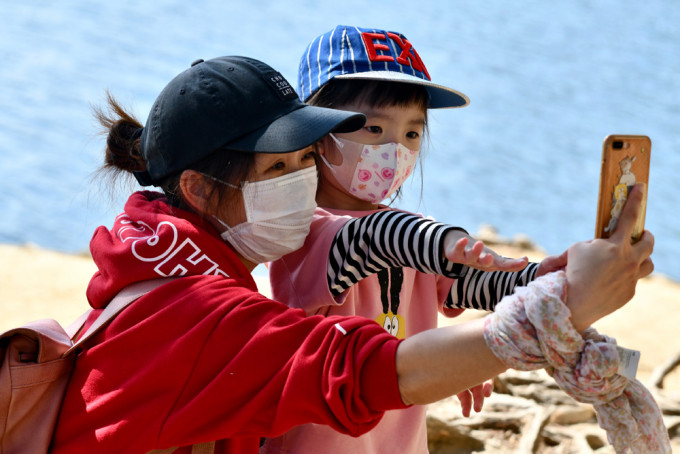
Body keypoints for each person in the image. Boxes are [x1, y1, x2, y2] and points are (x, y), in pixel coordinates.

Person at [49, 55, 657, 454]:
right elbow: (363, 367)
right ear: (199, 189)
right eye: (277, 167)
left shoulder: (175, 268)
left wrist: (538, 283)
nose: (301, 181)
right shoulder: (197, 310)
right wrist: (548, 309)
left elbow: (439, 286)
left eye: (302, 159)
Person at [262, 25, 564, 454]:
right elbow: (372, 241)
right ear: (316, 131)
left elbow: (476, 283)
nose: (395, 150)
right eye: (373, 130)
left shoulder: (414, 236)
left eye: (411, 134)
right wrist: (448, 242)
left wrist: (544, 278)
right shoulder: (303, 231)